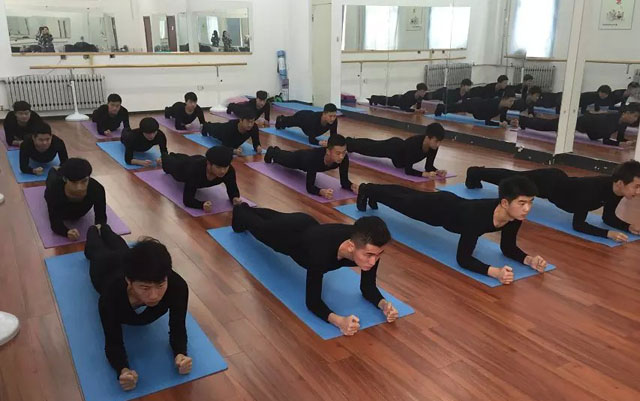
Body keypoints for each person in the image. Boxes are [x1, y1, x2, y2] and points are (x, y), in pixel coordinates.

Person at [231, 203, 397, 335]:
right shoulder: (320, 254)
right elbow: (312, 302)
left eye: (379, 254)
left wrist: (384, 305)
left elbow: (367, 287)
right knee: (258, 226)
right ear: (350, 246)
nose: (373, 261)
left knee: (274, 217)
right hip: (287, 238)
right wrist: (339, 321)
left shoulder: (366, 246)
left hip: (307, 223)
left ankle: (249, 208)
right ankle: (240, 209)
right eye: (369, 255)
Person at [357, 176, 545, 284]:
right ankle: (368, 188)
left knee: (406, 196)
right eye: (522, 203)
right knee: (403, 201)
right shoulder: (478, 217)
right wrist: (495, 272)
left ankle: (372, 191)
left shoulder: (514, 216)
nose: (527, 208)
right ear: (505, 203)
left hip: (453, 204)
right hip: (437, 210)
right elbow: (463, 258)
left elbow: (508, 247)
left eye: (530, 202)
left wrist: (529, 259)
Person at [84, 225, 190, 391]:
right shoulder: (110, 297)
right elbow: (113, 342)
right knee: (95, 250)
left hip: (127, 260)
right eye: (145, 288)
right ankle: (93, 229)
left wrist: (181, 353)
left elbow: (178, 327)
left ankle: (105, 227)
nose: (154, 296)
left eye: (160, 285)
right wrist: (122, 369)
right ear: (129, 281)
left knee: (120, 246)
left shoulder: (177, 286)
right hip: (105, 267)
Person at [465, 160, 640, 241]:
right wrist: (607, 234)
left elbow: (608, 217)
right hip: (547, 182)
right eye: (636, 186)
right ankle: (475, 172)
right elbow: (578, 225)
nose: (638, 192)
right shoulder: (592, 191)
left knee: (511, 178)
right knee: (510, 179)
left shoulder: (616, 191)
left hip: (559, 183)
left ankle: (477, 173)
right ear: (620, 183)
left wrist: (628, 227)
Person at [264, 134, 357, 199]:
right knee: (283, 160)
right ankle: (272, 151)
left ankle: (277, 151)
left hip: (308, 158)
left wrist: (352, 186)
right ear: (328, 151)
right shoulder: (314, 159)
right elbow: (309, 187)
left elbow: (344, 182)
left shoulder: (344, 158)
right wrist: (321, 191)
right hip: (300, 159)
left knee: (284, 156)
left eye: (344, 152)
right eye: (338, 153)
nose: (341, 156)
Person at [346, 122, 447, 178]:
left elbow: (428, 166)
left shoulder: (433, 147)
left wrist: (437, 171)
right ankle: (349, 143)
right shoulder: (414, 143)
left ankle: (351, 142)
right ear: (428, 137)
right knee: (370, 148)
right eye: (436, 141)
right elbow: (408, 170)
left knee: (371, 145)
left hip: (399, 159)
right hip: (393, 148)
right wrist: (424, 174)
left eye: (440, 142)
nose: (438, 144)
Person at [161, 146, 242, 211]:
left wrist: (234, 198)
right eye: (218, 167)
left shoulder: (229, 171)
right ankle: (166, 156)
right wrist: (201, 205)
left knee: (187, 159)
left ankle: (176, 156)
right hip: (182, 169)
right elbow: (187, 200)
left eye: (225, 167)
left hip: (196, 160)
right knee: (170, 162)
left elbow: (232, 188)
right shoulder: (194, 171)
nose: (222, 171)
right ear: (209, 164)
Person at [518, 103, 640, 146]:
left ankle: (524, 121)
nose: (635, 119)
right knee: (547, 126)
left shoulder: (623, 123)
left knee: (549, 125)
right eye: (634, 116)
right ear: (626, 113)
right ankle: (523, 120)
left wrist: (629, 142)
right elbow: (604, 139)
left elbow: (620, 138)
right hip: (580, 122)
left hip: (589, 128)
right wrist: (620, 144)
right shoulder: (611, 119)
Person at [45, 158, 106, 239]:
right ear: (65, 179)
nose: (79, 187)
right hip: (56, 185)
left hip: (79, 212)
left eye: (84, 181)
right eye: (74, 182)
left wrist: (99, 228)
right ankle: (55, 169)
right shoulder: (54, 190)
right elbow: (55, 222)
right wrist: (66, 232)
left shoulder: (97, 189)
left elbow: (101, 217)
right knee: (52, 176)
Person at [435, 90, 519, 127]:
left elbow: (503, 119)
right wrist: (499, 124)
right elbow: (487, 122)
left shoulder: (505, 107)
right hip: (474, 104)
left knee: (454, 108)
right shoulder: (493, 103)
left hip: (478, 111)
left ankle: (442, 108)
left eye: (513, 101)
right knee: (453, 109)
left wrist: (510, 122)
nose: (512, 103)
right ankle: (440, 107)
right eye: (510, 101)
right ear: (504, 99)